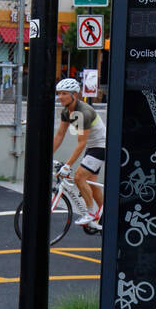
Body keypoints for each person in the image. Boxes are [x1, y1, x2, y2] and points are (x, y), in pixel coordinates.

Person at [51, 77, 107, 226]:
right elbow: (59, 136)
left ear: (74, 95)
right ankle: (105, 215)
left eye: (64, 93)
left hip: (101, 146)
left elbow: (81, 143)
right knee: (92, 184)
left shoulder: (83, 112)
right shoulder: (67, 111)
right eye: (59, 93)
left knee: (79, 177)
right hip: (92, 146)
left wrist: (68, 165)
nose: (60, 96)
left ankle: (90, 213)